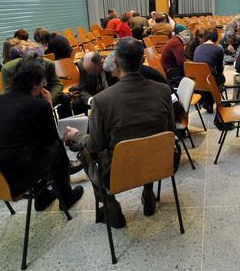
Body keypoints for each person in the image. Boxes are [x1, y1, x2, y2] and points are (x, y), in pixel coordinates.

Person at [64, 38, 176, 227]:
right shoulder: (164, 91)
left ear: (115, 62)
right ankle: (148, 193)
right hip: (160, 164)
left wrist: (76, 134)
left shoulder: (101, 101)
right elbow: (170, 130)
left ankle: (111, 205)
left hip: (118, 172)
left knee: (84, 152)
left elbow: (96, 144)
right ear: (142, 61)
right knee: (146, 144)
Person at [0, 56, 83, 211]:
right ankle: (66, 198)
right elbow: (51, 138)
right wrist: (47, 106)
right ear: (35, 84)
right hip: (12, 180)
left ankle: (43, 197)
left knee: (29, 148)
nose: (44, 86)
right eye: (43, 83)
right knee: (56, 148)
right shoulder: (38, 105)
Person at [1, 52, 71, 118]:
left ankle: (66, 125)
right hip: (21, 97)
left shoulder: (49, 64)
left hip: (44, 94)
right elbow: (9, 94)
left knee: (64, 98)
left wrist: (50, 99)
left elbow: (57, 84)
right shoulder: (8, 70)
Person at [193, 29, 225, 112]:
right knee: (219, 78)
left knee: (209, 75)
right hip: (209, 80)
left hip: (197, 80)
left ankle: (207, 102)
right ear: (217, 38)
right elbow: (220, 69)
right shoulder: (218, 49)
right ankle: (212, 101)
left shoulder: (197, 48)